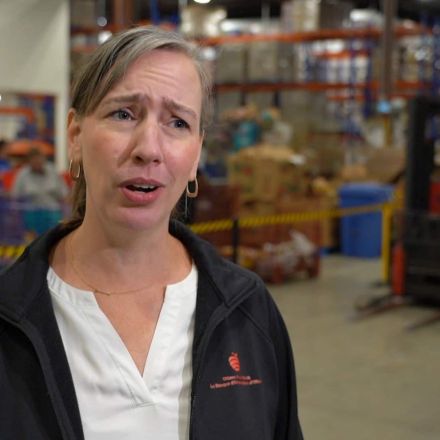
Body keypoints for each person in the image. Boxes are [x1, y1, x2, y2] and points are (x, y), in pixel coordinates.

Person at [0, 26, 303, 440]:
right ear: (75, 136)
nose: (149, 149)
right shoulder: (10, 317)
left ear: (196, 155)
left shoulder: (247, 310)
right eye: (123, 114)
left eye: (177, 122)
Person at [10, 146, 68, 235]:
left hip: (53, 212)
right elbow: (15, 196)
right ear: (29, 161)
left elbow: (64, 194)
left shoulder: (53, 171)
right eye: (34, 160)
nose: (37, 162)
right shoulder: (22, 174)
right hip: (31, 213)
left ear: (44, 159)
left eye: (39, 159)